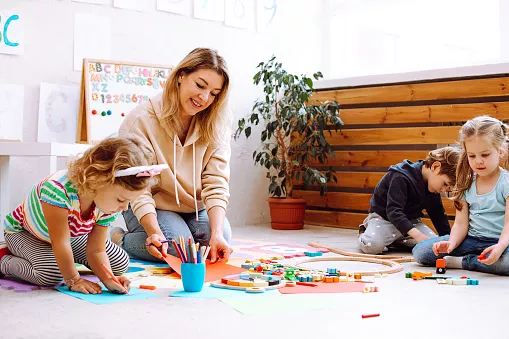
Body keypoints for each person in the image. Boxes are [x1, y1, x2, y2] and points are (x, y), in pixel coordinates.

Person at [112, 47, 233, 263]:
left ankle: (191, 234)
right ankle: (120, 240)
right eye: (200, 85)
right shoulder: (141, 121)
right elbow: (139, 190)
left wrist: (216, 235)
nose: (204, 98)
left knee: (221, 239)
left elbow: (216, 182)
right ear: (181, 76)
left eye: (214, 93)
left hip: (193, 207)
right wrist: (153, 232)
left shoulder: (217, 124)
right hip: (151, 203)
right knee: (178, 249)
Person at [0, 137, 161, 294]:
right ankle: (4, 261)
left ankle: (61, 260)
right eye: (121, 199)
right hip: (25, 234)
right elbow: (59, 242)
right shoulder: (58, 190)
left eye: (128, 202)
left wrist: (108, 279)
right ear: (99, 179)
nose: (124, 208)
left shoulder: (106, 205)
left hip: (68, 237)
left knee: (119, 262)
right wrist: (73, 279)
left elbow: (97, 250)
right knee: (50, 274)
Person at [413, 116, 509, 275]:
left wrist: (499, 247)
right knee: (420, 252)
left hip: (501, 242)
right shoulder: (466, 182)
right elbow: (460, 224)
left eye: (485, 155)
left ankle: (464, 262)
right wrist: (451, 243)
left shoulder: (505, 183)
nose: (478, 161)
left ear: (500, 151)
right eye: (472, 156)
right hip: (470, 240)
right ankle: (476, 259)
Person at [357, 146, 461, 254]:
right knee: (372, 246)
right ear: (435, 167)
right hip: (384, 220)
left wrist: (449, 241)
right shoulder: (401, 176)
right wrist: (418, 235)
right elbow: (393, 212)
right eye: (445, 184)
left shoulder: (433, 187)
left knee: (433, 246)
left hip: (411, 223)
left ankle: (395, 241)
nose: (443, 191)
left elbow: (438, 215)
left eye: (448, 189)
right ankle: (364, 231)